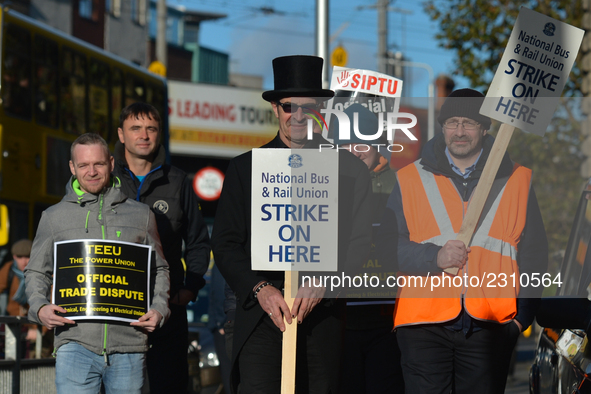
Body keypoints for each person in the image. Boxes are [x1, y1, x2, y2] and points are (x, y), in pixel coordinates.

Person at [211, 55, 372, 393]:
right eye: (289, 106)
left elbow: (360, 244)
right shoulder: (245, 169)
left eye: (308, 107)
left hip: (322, 319)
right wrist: (260, 290)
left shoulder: (350, 171)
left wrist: (324, 284)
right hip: (260, 318)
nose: (298, 115)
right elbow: (225, 244)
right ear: (275, 109)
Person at [377, 88, 548, 394]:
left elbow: (534, 255)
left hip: (491, 324)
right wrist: (434, 257)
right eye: (452, 122)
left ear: (485, 128)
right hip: (422, 325)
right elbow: (388, 249)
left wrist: (521, 319)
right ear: (442, 127)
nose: (459, 131)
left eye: (468, 123)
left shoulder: (518, 179)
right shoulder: (408, 178)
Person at [24, 132, 170, 393]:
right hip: (75, 344)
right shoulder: (54, 217)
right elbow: (36, 271)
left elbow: (159, 267)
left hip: (129, 346)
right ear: (72, 167)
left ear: (111, 164)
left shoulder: (141, 215)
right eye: (83, 165)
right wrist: (40, 307)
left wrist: (159, 309)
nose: (91, 171)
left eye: (98, 164)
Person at [112, 102, 210, 393]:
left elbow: (197, 240)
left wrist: (190, 288)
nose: (144, 135)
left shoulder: (178, 181)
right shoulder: (106, 179)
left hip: (168, 310)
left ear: (159, 134)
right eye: (135, 128)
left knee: (168, 385)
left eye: (151, 129)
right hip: (116, 307)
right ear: (121, 134)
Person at [333, 103, 404, 393]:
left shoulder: (401, 184)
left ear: (378, 146)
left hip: (389, 318)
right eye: (346, 143)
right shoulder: (323, 182)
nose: (355, 150)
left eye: (362, 142)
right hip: (339, 316)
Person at [0, 239, 33, 317]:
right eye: (19, 257)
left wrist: (38, 328)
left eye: (27, 257)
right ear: (14, 257)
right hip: (14, 321)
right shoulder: (8, 269)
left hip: (37, 322)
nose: (23, 262)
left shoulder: (43, 272)